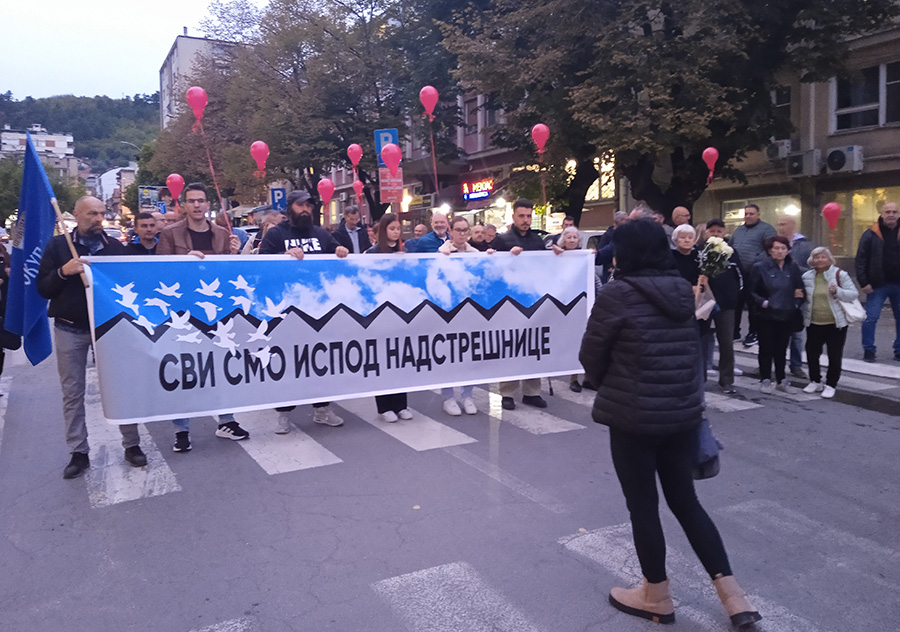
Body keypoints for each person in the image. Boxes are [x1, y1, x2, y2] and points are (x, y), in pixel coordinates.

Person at [579, 219, 761, 629]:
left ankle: (656, 595)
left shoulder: (616, 294)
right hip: (681, 415)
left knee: (643, 506)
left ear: (624, 254)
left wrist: (611, 383)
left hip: (633, 418)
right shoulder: (683, 289)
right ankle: (735, 598)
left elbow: (590, 356)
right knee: (686, 502)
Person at [37, 196, 148, 478]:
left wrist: (187, 260)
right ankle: (78, 452)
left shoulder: (115, 248)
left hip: (109, 329)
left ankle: (132, 444)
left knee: (121, 386)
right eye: (91, 214)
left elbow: (138, 277)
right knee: (73, 393)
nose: (98, 218)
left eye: (101, 213)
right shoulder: (58, 246)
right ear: (76, 215)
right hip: (70, 328)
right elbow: (43, 288)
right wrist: (63, 272)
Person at [157, 183, 247, 451]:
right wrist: (183, 261)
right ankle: (181, 429)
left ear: (208, 205)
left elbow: (228, 275)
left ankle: (226, 421)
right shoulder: (170, 233)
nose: (197, 205)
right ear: (184, 205)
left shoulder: (222, 234)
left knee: (221, 367)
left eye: (201, 200)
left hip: (216, 311)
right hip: (183, 312)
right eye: (191, 201)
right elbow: (160, 273)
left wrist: (234, 254)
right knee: (183, 371)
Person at [260, 189, 350, 433]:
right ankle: (284, 413)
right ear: (290, 208)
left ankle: (322, 409)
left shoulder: (321, 234)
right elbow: (261, 265)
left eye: (309, 206)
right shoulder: (276, 234)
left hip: (318, 309)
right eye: (300, 206)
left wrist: (340, 252)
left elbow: (338, 255)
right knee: (288, 362)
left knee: (320, 360)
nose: (306, 210)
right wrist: (283, 256)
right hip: (285, 310)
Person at [492, 199, 549, 409]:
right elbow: (492, 266)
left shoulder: (538, 241)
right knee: (511, 346)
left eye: (528, 216)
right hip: (509, 300)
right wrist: (507, 256)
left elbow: (547, 267)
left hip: (533, 299)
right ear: (514, 216)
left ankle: (532, 392)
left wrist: (559, 254)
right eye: (521, 216)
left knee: (533, 345)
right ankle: (507, 392)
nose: (526, 220)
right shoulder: (502, 240)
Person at [364, 214, 415, 422]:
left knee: (400, 360)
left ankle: (401, 404)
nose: (396, 232)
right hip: (380, 311)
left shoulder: (404, 252)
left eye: (398, 228)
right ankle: (384, 406)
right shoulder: (372, 253)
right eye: (392, 228)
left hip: (401, 311)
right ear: (384, 230)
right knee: (383, 360)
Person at [437, 216, 482, 415]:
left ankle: (467, 395)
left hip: (470, 309)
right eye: (458, 230)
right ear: (451, 231)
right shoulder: (441, 253)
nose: (462, 234)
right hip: (448, 309)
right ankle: (448, 397)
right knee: (448, 354)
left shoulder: (475, 254)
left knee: (469, 354)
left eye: (465, 230)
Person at [749, 235, 805, 394]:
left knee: (781, 349)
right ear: (770, 250)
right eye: (776, 248)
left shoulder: (792, 268)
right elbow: (751, 291)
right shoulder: (760, 267)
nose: (780, 251)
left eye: (783, 248)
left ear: (788, 250)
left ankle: (781, 379)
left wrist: (796, 304)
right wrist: (764, 303)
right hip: (766, 315)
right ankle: (765, 378)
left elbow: (800, 289)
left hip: (787, 314)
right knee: (766, 348)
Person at [802, 247, 859, 399]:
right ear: (812, 260)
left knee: (834, 355)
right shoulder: (807, 276)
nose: (819, 260)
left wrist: (837, 291)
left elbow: (853, 294)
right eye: (816, 257)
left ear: (829, 259)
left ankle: (831, 384)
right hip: (813, 322)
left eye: (823, 257)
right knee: (812, 353)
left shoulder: (840, 274)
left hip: (836, 324)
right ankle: (815, 381)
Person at [855, 201, 900, 362]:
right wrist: (863, 282)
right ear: (881, 214)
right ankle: (869, 349)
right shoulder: (870, 234)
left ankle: (899, 350)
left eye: (894, 212)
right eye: (888, 212)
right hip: (877, 284)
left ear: (898, 214)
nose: (891, 215)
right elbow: (861, 259)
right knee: (871, 318)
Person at [704, 219, 743, 394]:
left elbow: (740, 276)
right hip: (704, 302)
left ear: (724, 233)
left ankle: (726, 380)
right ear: (706, 233)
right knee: (701, 340)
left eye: (719, 231)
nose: (715, 234)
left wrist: (735, 296)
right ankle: (699, 378)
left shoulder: (731, 252)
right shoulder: (700, 251)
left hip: (726, 303)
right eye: (712, 231)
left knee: (726, 342)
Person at [732, 203, 776, 346]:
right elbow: (731, 246)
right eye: (746, 214)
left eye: (751, 214)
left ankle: (753, 332)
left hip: (756, 273)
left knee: (753, 304)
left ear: (758, 215)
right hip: (738, 274)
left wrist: (757, 260)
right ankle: (735, 331)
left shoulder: (766, 229)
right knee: (737, 302)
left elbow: (771, 249)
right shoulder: (739, 230)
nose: (748, 216)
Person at [777, 214, 813, 378]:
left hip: (797, 292)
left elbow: (812, 269)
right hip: (777, 292)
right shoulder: (774, 243)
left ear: (792, 225)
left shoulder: (804, 246)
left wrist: (796, 268)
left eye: (784, 224)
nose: (781, 227)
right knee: (775, 331)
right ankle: (773, 364)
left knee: (797, 332)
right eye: (779, 224)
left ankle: (796, 365)